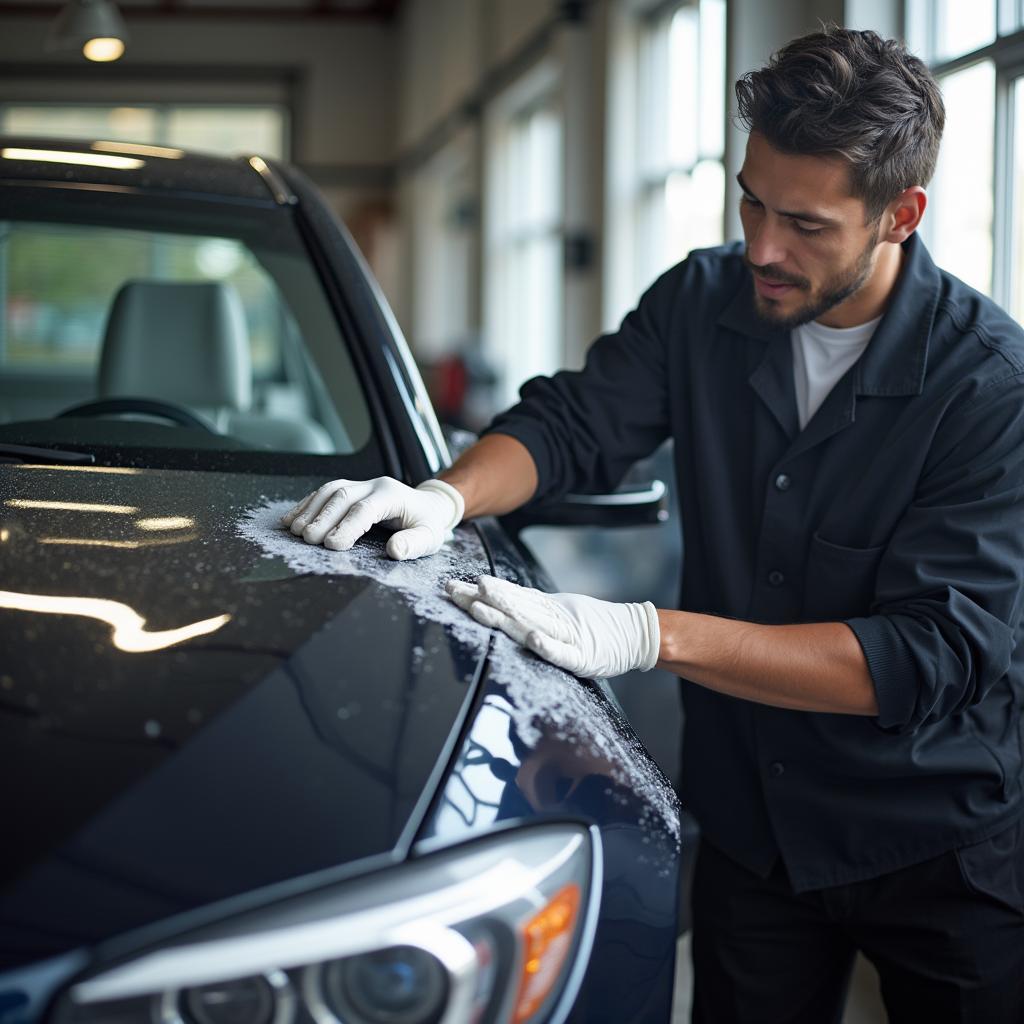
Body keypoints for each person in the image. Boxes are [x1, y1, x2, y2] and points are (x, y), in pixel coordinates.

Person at [282, 26, 1024, 1023]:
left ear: (901, 215)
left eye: (805, 224)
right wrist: (447, 494)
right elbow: (574, 423)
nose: (763, 247)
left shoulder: (990, 390)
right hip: (753, 830)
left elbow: (921, 653)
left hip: (938, 842)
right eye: (751, 201)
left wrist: (645, 634)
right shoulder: (701, 302)